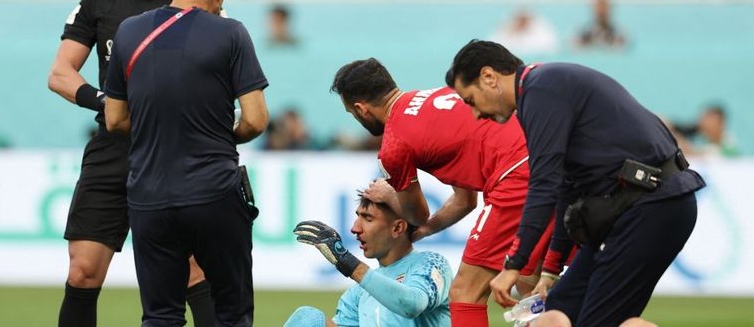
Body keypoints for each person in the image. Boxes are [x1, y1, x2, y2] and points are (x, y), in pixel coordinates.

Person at [446, 40, 705, 327]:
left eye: (470, 100)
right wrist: (551, 271)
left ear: (489, 77)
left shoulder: (541, 92)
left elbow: (544, 184)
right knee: (556, 313)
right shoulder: (543, 88)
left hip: (651, 207)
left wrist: (514, 265)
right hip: (643, 205)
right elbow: (566, 188)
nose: (476, 114)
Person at [46, 0, 216, 325]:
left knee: (193, 270)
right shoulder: (100, 1)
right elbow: (59, 74)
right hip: (113, 149)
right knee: (82, 271)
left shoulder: (192, 1)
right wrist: (106, 102)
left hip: (173, 151)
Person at [104, 0, 268, 325]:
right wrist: (220, 133)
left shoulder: (129, 32)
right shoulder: (231, 33)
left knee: (160, 315)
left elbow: (114, 118)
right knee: (232, 312)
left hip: (149, 194)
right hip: (214, 192)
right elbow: (256, 120)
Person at [331, 58, 565, 327]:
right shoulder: (438, 96)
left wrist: (389, 193)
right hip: (548, 160)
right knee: (528, 285)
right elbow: (465, 201)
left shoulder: (395, 144)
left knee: (466, 292)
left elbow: (416, 214)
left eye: (351, 113)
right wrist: (428, 230)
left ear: (361, 109)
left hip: (514, 175)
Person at [284, 196, 453, 327]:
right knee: (307, 318)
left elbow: (412, 304)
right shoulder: (358, 292)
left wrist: (347, 262)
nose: (355, 228)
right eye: (358, 217)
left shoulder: (431, 263)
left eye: (368, 218)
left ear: (397, 228)